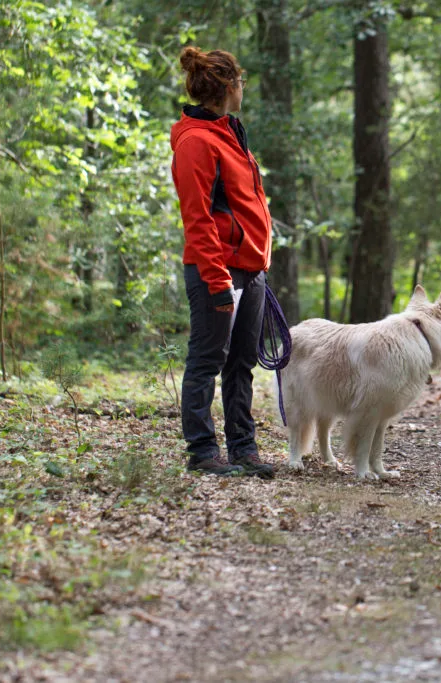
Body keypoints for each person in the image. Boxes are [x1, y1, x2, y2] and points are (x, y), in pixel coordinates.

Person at [170, 46, 275, 478]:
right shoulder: (197, 141)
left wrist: (259, 261)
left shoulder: (230, 132)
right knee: (207, 359)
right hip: (217, 270)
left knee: (242, 362)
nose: (243, 90)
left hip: (249, 269)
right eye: (241, 83)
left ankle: (243, 448)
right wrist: (216, 282)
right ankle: (201, 452)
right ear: (229, 87)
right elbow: (198, 218)